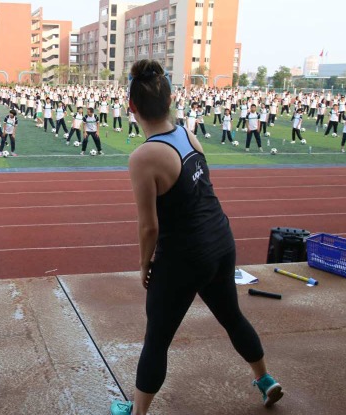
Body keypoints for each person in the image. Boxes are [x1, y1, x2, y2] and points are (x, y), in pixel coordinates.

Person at [109, 60, 282, 415]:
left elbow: (149, 227)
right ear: (170, 99)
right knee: (232, 316)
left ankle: (137, 413)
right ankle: (265, 380)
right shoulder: (187, 134)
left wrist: (145, 264)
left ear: (131, 108)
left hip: (184, 256)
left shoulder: (144, 156)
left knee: (156, 339)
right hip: (220, 240)